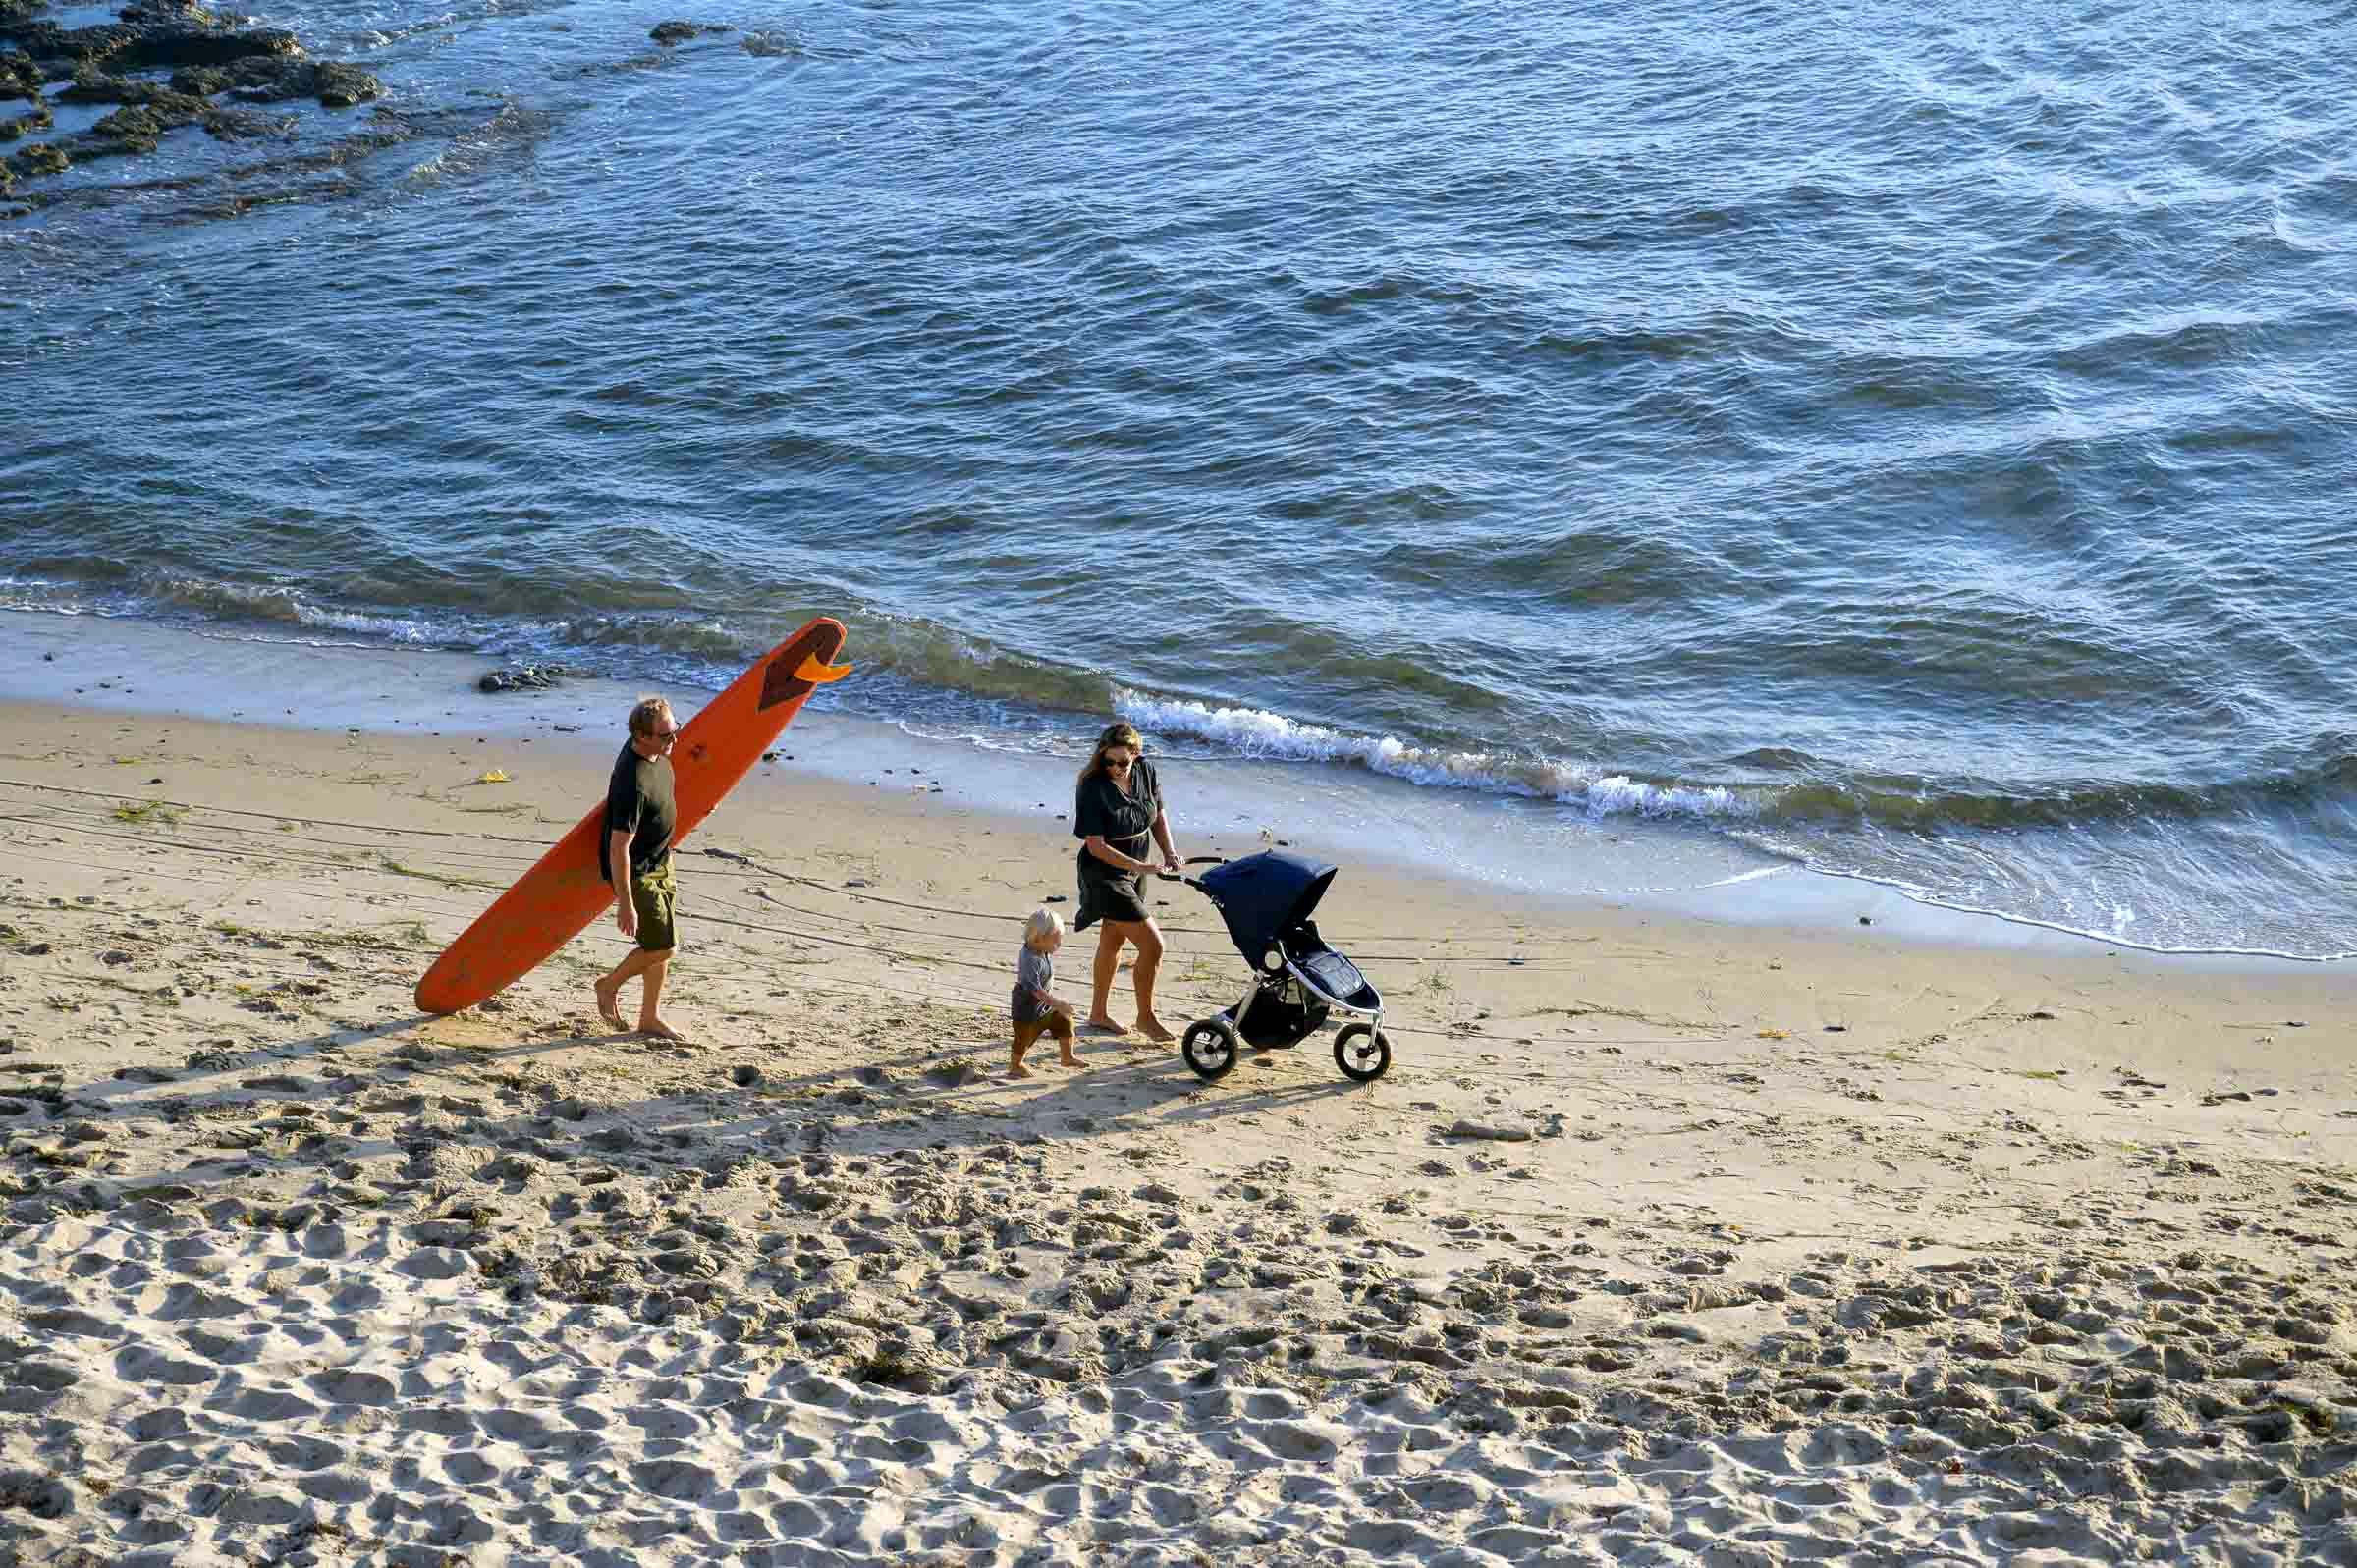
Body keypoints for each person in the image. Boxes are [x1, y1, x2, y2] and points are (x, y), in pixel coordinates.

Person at [1071, 721, 1182, 1042]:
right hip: (1104, 870)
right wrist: (1140, 866)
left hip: (1136, 866)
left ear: (1136, 754)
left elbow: (1158, 816)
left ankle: (1098, 1014)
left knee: (1112, 939)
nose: (1115, 768)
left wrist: (1170, 852)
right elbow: (1096, 845)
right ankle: (1146, 1018)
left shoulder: (1147, 771)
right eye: (1109, 761)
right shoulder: (1092, 786)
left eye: (1123, 761)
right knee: (1153, 945)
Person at [594, 695, 687, 1041]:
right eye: (665, 736)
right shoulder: (631, 782)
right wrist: (626, 901)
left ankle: (649, 1017)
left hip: (662, 859)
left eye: (675, 731)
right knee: (664, 947)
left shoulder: (655, 750)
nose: (673, 740)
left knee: (658, 941)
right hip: (639, 871)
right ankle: (608, 985)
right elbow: (618, 847)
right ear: (641, 736)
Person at [1008, 907, 1079, 1078]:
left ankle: (1067, 1057)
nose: (1059, 944)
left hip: (1044, 1006)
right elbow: (1036, 991)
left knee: (1064, 1022)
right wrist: (1059, 1004)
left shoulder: (1040, 950)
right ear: (1039, 938)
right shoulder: (1030, 960)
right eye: (1056, 940)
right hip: (1027, 1008)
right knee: (1024, 1039)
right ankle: (1015, 1066)